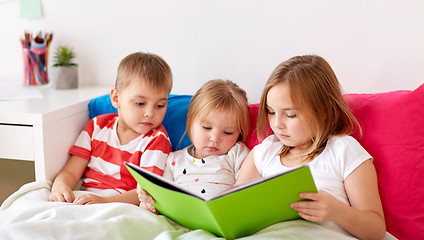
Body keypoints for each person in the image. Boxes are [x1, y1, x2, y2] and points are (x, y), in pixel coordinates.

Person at [235, 55, 386, 240]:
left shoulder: (344, 151)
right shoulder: (264, 152)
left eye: (290, 115)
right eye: (271, 112)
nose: (277, 124)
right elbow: (232, 206)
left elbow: (376, 231)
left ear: (323, 111)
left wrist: (338, 212)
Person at [49, 52, 173, 205]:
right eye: (140, 103)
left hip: (123, 206)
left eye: (160, 105)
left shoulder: (157, 140)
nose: (150, 113)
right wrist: (60, 187)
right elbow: (70, 171)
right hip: (87, 201)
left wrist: (104, 201)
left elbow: (147, 192)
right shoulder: (97, 126)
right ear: (116, 99)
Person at [138, 79, 251, 214]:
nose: (215, 138)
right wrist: (150, 203)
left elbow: (247, 191)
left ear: (239, 133)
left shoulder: (237, 153)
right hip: (179, 219)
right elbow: (163, 198)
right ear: (190, 123)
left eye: (228, 132)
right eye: (206, 127)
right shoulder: (173, 159)